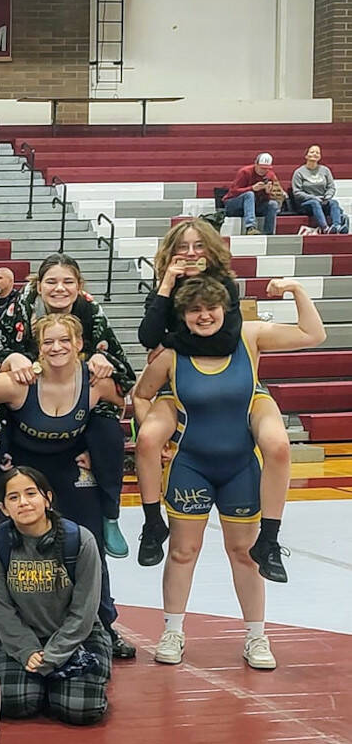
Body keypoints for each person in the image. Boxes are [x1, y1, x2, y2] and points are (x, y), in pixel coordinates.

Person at [133, 275, 325, 671]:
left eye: (210, 308)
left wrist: (296, 291)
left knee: (244, 553)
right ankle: (173, 630)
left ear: (225, 309)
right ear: (183, 316)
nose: (204, 316)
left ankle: (256, 636)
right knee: (183, 551)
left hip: (239, 464)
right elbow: (140, 394)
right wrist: (156, 432)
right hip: (192, 464)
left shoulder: (248, 338)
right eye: (194, 310)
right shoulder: (171, 355)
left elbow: (313, 334)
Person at [0, 313, 128, 657]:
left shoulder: (94, 383)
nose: (57, 347)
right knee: (21, 550)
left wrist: (93, 450)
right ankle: (14, 628)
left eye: (65, 340)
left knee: (88, 543)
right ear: (38, 349)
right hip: (25, 466)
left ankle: (102, 624)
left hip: (69, 464)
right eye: (48, 342)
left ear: (80, 345)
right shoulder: (20, 382)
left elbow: (120, 404)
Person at [134, 219, 293, 581]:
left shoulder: (224, 286)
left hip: (226, 380)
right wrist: (166, 284)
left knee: (275, 443)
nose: (190, 253)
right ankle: (151, 522)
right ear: (170, 253)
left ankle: (269, 536)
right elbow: (147, 336)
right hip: (179, 386)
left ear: (211, 250)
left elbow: (223, 340)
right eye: (183, 247)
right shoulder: (166, 288)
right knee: (147, 439)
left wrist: (172, 342)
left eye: (198, 246)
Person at [0, 254, 134, 566]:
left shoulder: (90, 309)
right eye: (51, 281)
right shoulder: (21, 307)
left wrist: (103, 361)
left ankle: (110, 514)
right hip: (25, 389)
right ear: (38, 286)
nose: (59, 288)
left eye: (68, 282)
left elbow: (125, 381)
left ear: (79, 286)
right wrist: (11, 358)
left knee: (107, 430)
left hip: (75, 392)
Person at [0, 467, 111, 726]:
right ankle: (46, 684)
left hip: (75, 636)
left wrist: (53, 656)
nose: (24, 502)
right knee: (14, 702)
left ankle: (66, 683)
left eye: (31, 493)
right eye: (14, 497)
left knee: (81, 710)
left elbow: (84, 611)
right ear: (4, 508)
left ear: (47, 498)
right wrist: (27, 649)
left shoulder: (80, 540)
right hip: (21, 637)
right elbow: (0, 608)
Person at [291, 145, 346, 234]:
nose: (315, 154)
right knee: (314, 203)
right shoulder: (299, 172)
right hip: (306, 203)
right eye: (312, 152)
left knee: (334, 203)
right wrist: (313, 197)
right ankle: (325, 228)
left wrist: (327, 196)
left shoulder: (325, 170)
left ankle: (337, 226)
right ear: (306, 156)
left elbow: (331, 187)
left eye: (317, 152)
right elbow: (297, 192)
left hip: (323, 200)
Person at [223, 152, 281, 236]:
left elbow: (267, 198)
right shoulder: (245, 172)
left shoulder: (270, 175)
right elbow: (233, 191)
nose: (263, 171)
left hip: (254, 205)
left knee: (273, 204)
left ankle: (269, 232)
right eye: (261, 168)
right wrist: (252, 188)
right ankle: (250, 227)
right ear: (256, 164)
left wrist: (267, 192)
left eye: (266, 169)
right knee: (249, 194)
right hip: (234, 203)